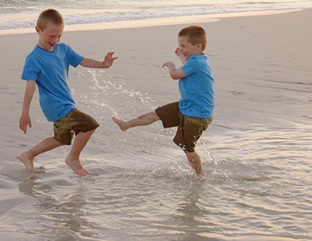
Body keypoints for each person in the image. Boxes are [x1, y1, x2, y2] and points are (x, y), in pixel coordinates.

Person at [18, 9, 117, 176]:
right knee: (89, 125)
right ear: (38, 30)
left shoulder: (63, 49)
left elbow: (83, 61)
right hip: (55, 105)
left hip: (66, 102)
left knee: (61, 139)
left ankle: (28, 155)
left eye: (59, 36)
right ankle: (73, 158)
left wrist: (104, 64)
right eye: (51, 36)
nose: (55, 40)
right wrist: (25, 113)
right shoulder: (33, 58)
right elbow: (30, 86)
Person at [112, 25, 215, 177]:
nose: (181, 48)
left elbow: (175, 75)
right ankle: (126, 124)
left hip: (197, 114)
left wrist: (172, 65)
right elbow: (188, 67)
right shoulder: (197, 60)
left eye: (183, 46)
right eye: (179, 45)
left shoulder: (197, 62)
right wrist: (181, 56)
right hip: (187, 106)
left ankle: (201, 175)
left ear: (198, 46)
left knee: (188, 148)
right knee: (156, 114)